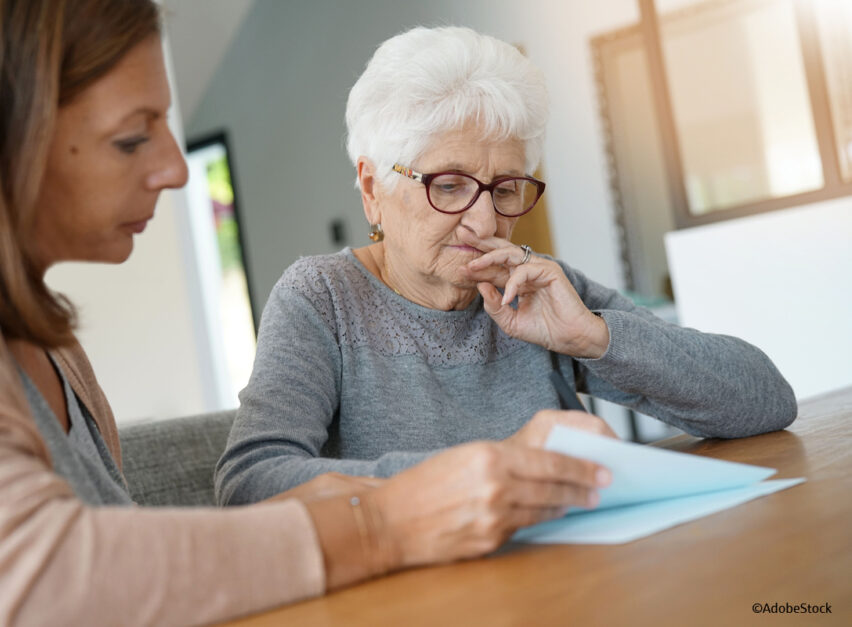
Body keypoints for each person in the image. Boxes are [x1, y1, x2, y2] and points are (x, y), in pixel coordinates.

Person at [0, 3, 619, 625]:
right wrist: (382, 523)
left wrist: (600, 339)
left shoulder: (48, 337)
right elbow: (20, 581)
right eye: (132, 136)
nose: (177, 168)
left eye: (502, 188)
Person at [215, 25, 798, 506]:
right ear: (372, 188)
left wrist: (596, 338)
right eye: (448, 186)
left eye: (506, 188)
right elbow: (250, 485)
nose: (485, 224)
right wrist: (498, 468)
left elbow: (767, 400)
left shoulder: (533, 284)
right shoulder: (323, 298)